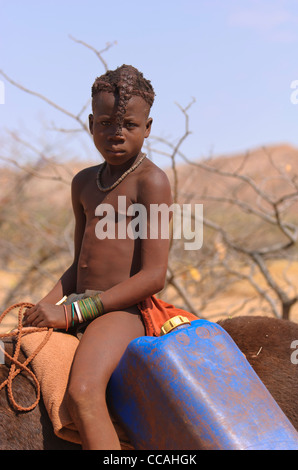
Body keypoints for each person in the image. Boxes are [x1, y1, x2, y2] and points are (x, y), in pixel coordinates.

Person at [23, 65, 174, 449]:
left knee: (84, 391)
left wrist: (73, 313)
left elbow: (155, 275)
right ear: (91, 123)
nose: (116, 133)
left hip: (123, 311)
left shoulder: (151, 182)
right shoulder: (84, 183)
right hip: (81, 301)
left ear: (148, 127)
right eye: (106, 122)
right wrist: (44, 305)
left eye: (129, 124)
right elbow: (80, 265)